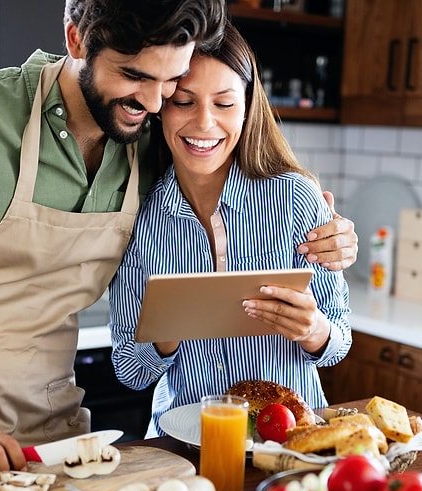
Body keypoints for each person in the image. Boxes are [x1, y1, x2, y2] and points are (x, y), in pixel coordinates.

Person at [0, 0, 357, 487]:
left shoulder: (145, 141)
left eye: (170, 81)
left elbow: (219, 161)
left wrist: (337, 241)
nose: (157, 103)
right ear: (75, 39)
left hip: (55, 426)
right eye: (137, 76)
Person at [109, 21, 351, 438]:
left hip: (291, 441)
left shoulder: (295, 198)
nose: (204, 124)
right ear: (161, 107)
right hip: (186, 443)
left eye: (223, 104)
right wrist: (170, 330)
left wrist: (314, 330)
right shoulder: (139, 217)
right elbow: (130, 372)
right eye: (184, 102)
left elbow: (339, 340)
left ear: (246, 108)